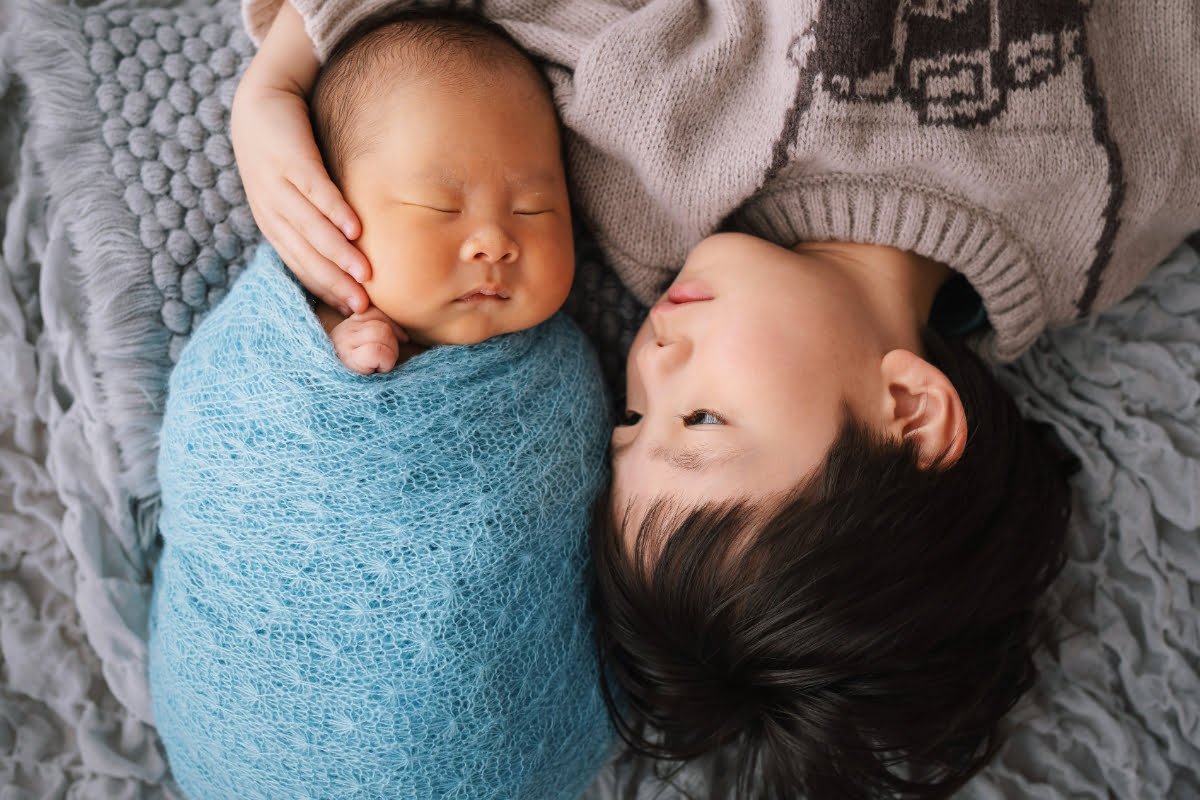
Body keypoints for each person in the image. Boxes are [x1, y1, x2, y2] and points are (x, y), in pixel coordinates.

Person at [232, 1, 1200, 797]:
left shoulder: (650, 165)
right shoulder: (1118, 211)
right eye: (697, 420)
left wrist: (276, 84)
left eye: (629, 419)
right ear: (909, 410)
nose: (654, 357)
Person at [148, 10, 613, 799]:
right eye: (440, 208)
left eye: (537, 209)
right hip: (250, 737)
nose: (496, 240)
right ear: (326, 211)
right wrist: (325, 363)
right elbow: (224, 451)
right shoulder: (281, 347)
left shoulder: (561, 378)